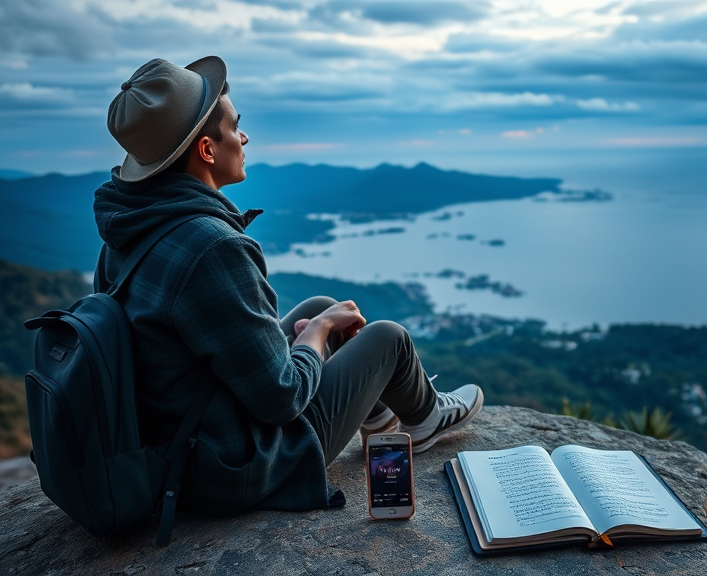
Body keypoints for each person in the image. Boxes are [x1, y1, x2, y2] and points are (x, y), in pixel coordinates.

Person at [95, 55, 482, 515]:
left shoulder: (132, 231)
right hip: (232, 465)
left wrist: (317, 325)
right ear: (206, 150)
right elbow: (282, 399)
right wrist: (316, 336)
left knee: (321, 305)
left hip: (177, 436)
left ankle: (375, 413)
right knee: (388, 339)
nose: (244, 137)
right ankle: (424, 418)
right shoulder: (209, 247)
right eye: (236, 127)